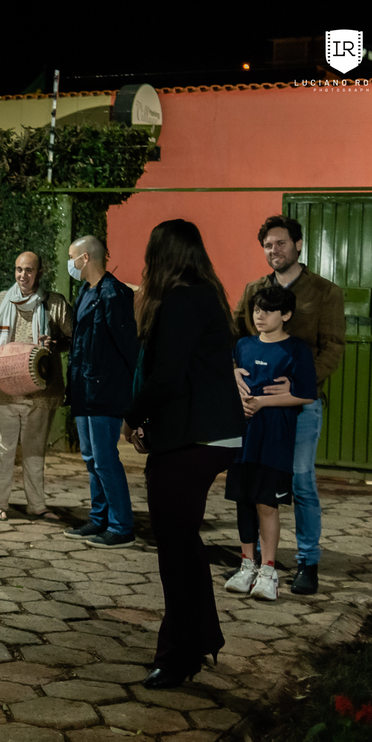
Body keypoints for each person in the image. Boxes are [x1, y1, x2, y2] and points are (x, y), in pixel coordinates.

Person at [122, 219, 246, 689]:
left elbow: (167, 378)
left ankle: (178, 657)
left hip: (193, 440)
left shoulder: (180, 301)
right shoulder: (207, 295)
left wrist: (132, 417)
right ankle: (198, 640)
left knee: (175, 550)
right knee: (184, 544)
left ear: (163, 255)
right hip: (207, 436)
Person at [232, 215, 345, 595]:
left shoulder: (325, 292)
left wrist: (301, 381)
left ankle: (307, 562)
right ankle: (255, 561)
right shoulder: (254, 290)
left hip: (300, 406)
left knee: (300, 481)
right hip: (255, 408)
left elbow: (333, 347)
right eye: (267, 245)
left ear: (298, 244)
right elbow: (232, 337)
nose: (273, 250)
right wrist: (233, 373)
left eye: (280, 243)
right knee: (253, 480)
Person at [224, 285, 316, 601]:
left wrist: (262, 403)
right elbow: (229, 377)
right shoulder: (243, 346)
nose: (259, 316)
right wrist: (234, 383)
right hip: (243, 437)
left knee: (266, 503)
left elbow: (306, 394)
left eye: (268, 310)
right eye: (256, 310)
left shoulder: (296, 349)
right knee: (243, 500)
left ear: (286, 315)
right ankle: (246, 565)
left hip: (274, 438)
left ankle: (268, 571)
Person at [0, 251, 73, 521]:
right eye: (19, 269)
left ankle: (37, 505)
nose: (23, 275)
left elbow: (74, 338)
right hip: (1, 392)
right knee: (1, 450)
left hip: (40, 392)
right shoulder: (1, 300)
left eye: (29, 270)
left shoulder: (55, 304)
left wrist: (56, 344)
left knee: (35, 452)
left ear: (40, 273)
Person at [64, 235, 139, 548]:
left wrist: (132, 395)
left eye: (72, 257)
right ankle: (99, 519)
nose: (70, 263)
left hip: (104, 391)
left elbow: (127, 346)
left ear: (85, 258)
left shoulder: (113, 294)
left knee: (106, 459)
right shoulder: (86, 291)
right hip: (85, 389)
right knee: (92, 458)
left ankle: (121, 526)